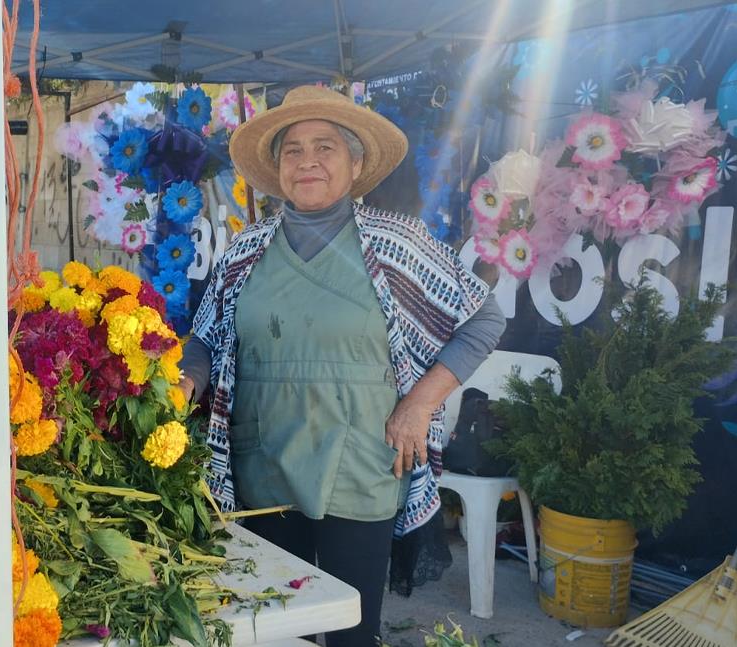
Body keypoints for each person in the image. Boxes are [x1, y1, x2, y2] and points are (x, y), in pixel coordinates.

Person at [180, 86, 506, 647]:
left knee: (351, 632)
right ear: (278, 168)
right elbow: (205, 336)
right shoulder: (246, 250)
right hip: (263, 465)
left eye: (325, 147)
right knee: (269, 626)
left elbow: (483, 318)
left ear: (355, 164)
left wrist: (421, 402)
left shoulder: (397, 244)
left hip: (360, 462)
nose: (308, 161)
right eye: (293, 150)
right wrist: (187, 377)